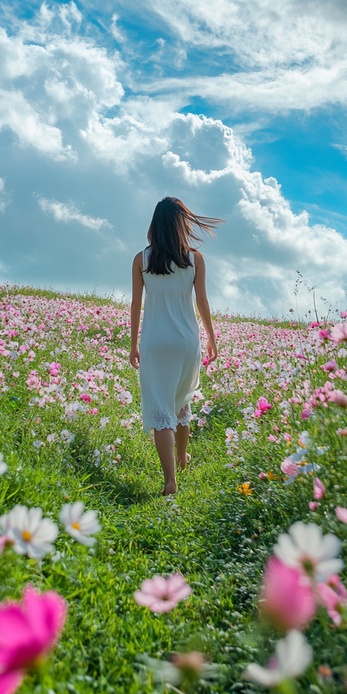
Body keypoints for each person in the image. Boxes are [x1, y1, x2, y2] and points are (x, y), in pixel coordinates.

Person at [130, 197, 221, 495]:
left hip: (155, 341)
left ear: (154, 224)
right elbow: (202, 301)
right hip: (186, 340)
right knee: (182, 401)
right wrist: (211, 337)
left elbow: (136, 304)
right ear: (182, 224)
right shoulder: (195, 259)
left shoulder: (142, 259)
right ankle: (182, 458)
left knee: (160, 411)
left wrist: (133, 344)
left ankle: (170, 480)